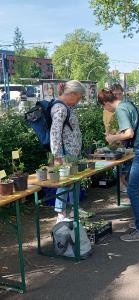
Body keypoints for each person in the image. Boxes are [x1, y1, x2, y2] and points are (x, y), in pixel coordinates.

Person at [97, 89, 139, 242]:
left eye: (104, 107)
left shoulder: (120, 110)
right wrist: (119, 134)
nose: (106, 110)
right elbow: (133, 128)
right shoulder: (128, 104)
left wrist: (112, 138)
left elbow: (129, 134)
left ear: (106, 103)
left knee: (132, 189)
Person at [51, 80, 86, 222]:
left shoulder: (66, 106)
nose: (78, 101)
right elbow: (55, 132)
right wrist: (57, 155)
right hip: (65, 154)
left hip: (72, 153)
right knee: (65, 182)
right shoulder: (60, 108)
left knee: (73, 181)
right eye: (78, 97)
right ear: (71, 94)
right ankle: (61, 213)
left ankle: (73, 209)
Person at [102, 83, 129, 192]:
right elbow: (108, 126)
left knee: (126, 162)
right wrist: (115, 135)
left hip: (124, 137)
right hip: (116, 139)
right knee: (119, 164)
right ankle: (120, 184)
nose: (118, 96)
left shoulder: (123, 106)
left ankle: (124, 182)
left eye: (120, 93)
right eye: (116, 94)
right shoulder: (108, 109)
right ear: (111, 95)